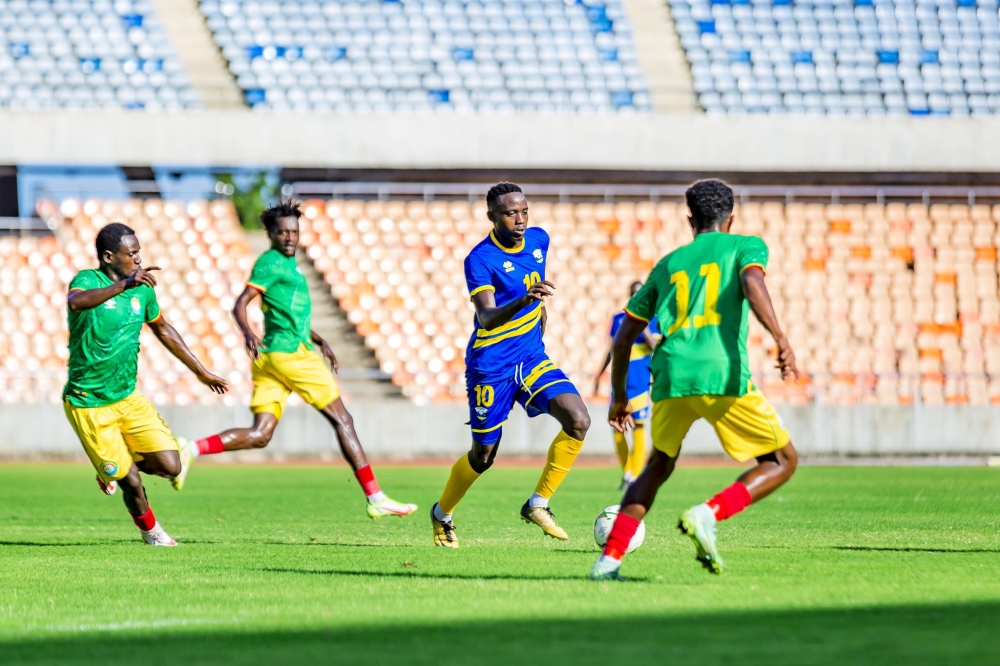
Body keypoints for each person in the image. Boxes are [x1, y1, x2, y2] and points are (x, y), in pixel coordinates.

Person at [589, 179, 799, 581]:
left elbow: (624, 337)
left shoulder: (668, 264)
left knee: (657, 465)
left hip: (669, 376)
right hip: (721, 373)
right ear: (731, 218)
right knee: (782, 460)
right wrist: (780, 338)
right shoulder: (745, 246)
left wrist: (618, 398)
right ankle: (708, 513)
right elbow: (753, 283)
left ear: (690, 219)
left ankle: (608, 561)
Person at [184, 200, 416, 519]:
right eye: (283, 232)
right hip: (290, 355)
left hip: (272, 359)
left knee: (261, 434)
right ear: (270, 234)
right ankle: (376, 498)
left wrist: (319, 339)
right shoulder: (271, 263)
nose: (290, 237)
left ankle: (190, 450)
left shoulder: (288, 266)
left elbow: (290, 314)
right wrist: (247, 332)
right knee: (343, 419)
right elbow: (240, 304)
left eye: (294, 232)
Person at [429, 182, 592, 548]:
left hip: (531, 357)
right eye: (509, 213)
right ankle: (441, 513)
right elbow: (486, 317)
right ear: (492, 216)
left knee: (579, 420)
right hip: (492, 364)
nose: (519, 220)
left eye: (523, 211)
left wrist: (540, 311)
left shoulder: (539, 240)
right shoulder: (479, 259)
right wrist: (526, 300)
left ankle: (538, 503)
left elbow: (534, 290)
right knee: (483, 456)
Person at [64, 223, 229, 546]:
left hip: (127, 398)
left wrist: (201, 372)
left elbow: (164, 330)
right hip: (88, 403)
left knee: (171, 466)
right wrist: (124, 285)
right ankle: (153, 533)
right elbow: (76, 302)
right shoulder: (88, 280)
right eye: (131, 254)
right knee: (131, 482)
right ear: (109, 257)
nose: (138, 259)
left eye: (139, 252)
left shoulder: (143, 289)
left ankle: (112, 466)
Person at [593, 281, 659, 488]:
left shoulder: (655, 319)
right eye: (633, 294)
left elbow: (654, 346)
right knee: (617, 427)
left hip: (640, 380)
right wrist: (599, 374)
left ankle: (635, 475)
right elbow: (612, 349)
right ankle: (627, 472)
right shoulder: (618, 319)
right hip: (619, 379)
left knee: (639, 426)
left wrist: (644, 325)